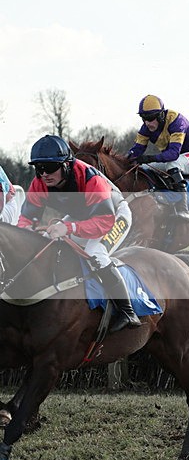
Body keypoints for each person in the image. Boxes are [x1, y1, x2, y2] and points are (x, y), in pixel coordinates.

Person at [18, 135, 141, 332]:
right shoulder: (39, 183)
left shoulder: (91, 179)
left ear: (66, 165)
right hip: (83, 215)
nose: (44, 174)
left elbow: (104, 222)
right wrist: (24, 235)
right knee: (49, 240)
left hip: (114, 215)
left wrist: (68, 228)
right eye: (38, 168)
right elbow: (26, 220)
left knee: (96, 253)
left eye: (49, 168)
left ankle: (127, 311)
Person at [126, 94, 189, 222]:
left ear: (161, 115)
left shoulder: (177, 121)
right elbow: (136, 150)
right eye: (143, 118)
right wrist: (124, 162)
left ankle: (183, 208)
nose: (147, 123)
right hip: (172, 160)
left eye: (150, 118)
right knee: (143, 168)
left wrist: (149, 158)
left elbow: (173, 153)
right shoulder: (146, 128)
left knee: (173, 165)